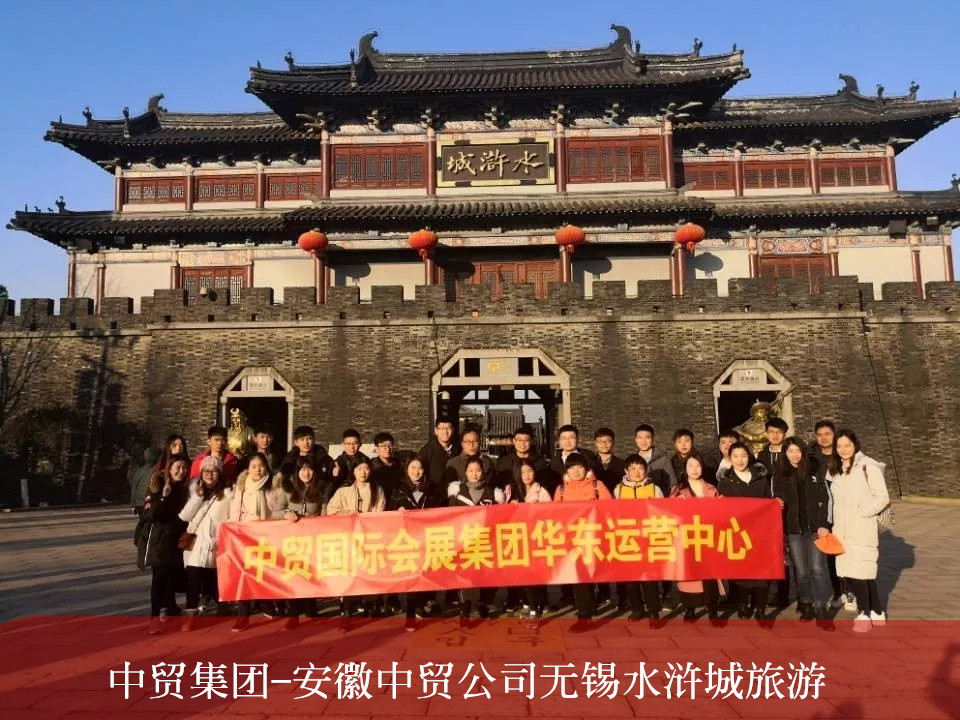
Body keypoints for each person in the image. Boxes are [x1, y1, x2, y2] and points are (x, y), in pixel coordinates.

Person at [828, 430, 890, 632]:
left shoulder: (867, 466)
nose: (843, 450)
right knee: (860, 572)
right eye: (839, 446)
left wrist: (864, 513)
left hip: (862, 527)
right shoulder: (835, 470)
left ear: (855, 445)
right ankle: (877, 611)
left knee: (860, 572)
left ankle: (864, 613)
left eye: (847, 445)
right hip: (842, 530)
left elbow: (882, 497)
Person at [552, 453, 613, 630]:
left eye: (579, 467)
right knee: (580, 577)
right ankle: (584, 615)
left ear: (586, 468)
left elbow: (609, 510)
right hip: (572, 540)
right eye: (571, 468)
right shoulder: (561, 489)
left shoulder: (597, 486)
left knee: (590, 575)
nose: (576, 471)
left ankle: (588, 608)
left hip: (595, 538)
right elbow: (554, 515)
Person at [778, 437, 832, 623]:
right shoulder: (780, 475)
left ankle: (821, 607)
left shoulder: (814, 471)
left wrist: (824, 523)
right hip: (794, 530)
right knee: (801, 571)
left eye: (798, 451)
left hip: (815, 528)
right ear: (785, 453)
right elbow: (774, 501)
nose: (795, 455)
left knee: (817, 568)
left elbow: (826, 498)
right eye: (790, 451)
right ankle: (806, 604)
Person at [718, 442, 774, 622]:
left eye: (743, 455)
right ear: (730, 459)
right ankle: (743, 605)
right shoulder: (726, 482)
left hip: (760, 532)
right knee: (741, 570)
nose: (740, 460)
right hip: (738, 532)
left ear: (749, 457)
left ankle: (760, 608)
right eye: (735, 456)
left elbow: (768, 502)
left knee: (762, 571)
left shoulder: (761, 479)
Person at [136, 454, 190, 635]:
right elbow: (150, 515)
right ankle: (154, 618)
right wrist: (163, 497)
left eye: (184, 468)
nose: (182, 472)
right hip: (160, 542)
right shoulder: (157, 486)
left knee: (174, 579)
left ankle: (170, 608)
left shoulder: (185, 489)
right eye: (178, 468)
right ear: (169, 469)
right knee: (159, 579)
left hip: (178, 541)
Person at [273, 455, 328, 628]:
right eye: (302, 469)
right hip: (292, 540)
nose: (306, 473)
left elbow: (325, 515)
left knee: (311, 573)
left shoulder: (321, 489)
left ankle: (311, 608)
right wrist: (286, 514)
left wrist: (316, 520)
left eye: (310, 469)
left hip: (312, 538)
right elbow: (275, 512)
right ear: (297, 471)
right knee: (294, 575)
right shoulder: (287, 488)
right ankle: (293, 613)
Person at [179, 455, 232, 630]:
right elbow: (184, 516)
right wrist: (197, 498)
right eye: (206, 471)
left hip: (215, 544)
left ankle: (223, 604)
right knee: (193, 579)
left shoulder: (228, 494)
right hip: (195, 544)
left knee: (211, 579)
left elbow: (231, 518)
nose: (209, 474)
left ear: (220, 473)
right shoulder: (194, 490)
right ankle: (190, 615)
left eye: (214, 471)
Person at [328, 457, 387, 617]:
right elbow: (331, 510)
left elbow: (380, 514)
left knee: (370, 572)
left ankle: (370, 604)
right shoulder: (343, 490)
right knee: (350, 573)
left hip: (370, 538)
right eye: (359, 469)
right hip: (349, 540)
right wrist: (347, 513)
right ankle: (347, 606)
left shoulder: (377, 490)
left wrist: (366, 519)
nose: (363, 472)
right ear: (353, 471)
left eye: (366, 468)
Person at [389, 455, 442, 629]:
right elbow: (388, 513)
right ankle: (410, 615)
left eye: (419, 468)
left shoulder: (432, 489)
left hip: (428, 539)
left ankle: (424, 605)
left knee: (428, 575)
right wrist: (397, 511)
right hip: (408, 541)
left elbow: (441, 512)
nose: (416, 471)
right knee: (412, 578)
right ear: (406, 470)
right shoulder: (398, 490)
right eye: (412, 468)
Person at [448, 456, 504, 620]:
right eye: (471, 470)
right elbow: (450, 516)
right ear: (465, 472)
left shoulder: (492, 493)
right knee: (464, 572)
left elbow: (500, 517)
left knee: (487, 572)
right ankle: (465, 605)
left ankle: (483, 603)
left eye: (478, 470)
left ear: (483, 472)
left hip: (486, 540)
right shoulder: (458, 492)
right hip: (463, 540)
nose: (474, 474)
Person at [670, 456, 722, 622]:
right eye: (690, 466)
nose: (694, 469)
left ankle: (712, 609)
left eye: (697, 465)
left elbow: (720, 513)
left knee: (710, 574)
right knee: (689, 574)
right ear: (685, 469)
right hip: (687, 537)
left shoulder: (711, 488)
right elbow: (670, 513)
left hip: (708, 537)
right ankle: (689, 608)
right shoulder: (678, 490)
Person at [227, 452, 274, 631]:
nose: (257, 470)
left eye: (261, 466)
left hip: (267, 534)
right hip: (246, 534)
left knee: (264, 572)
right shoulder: (242, 485)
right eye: (253, 466)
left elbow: (275, 509)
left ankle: (266, 604)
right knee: (245, 574)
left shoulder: (273, 484)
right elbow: (235, 510)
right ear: (248, 469)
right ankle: (243, 615)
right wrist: (233, 531)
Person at [615, 455, 663, 621]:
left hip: (648, 539)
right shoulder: (618, 490)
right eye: (633, 469)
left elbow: (662, 513)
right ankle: (637, 609)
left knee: (650, 580)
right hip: (627, 540)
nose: (637, 472)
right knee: (630, 580)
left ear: (646, 470)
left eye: (640, 468)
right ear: (626, 471)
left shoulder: (655, 489)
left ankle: (653, 610)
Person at [808, 420, 845, 609]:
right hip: (822, 513)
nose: (823, 438)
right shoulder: (811, 458)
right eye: (820, 434)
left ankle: (850, 591)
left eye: (827, 434)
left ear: (834, 435)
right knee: (830, 556)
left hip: (843, 511)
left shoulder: (842, 455)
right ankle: (838, 592)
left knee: (845, 553)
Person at [516, 459, 551, 622]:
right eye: (523, 472)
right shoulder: (511, 490)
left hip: (537, 537)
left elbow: (550, 513)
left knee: (534, 573)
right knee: (522, 573)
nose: (526, 475)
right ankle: (528, 603)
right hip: (517, 538)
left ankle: (534, 608)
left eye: (529, 471)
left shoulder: (541, 491)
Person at [495, 425, 548, 502]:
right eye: (519, 440)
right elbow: (498, 485)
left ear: (531, 441)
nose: (522, 443)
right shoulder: (504, 462)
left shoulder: (539, 461)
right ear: (514, 441)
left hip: (534, 502)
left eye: (526, 440)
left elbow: (543, 484)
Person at [546, 425, 598, 496]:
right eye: (564, 438)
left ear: (578, 439)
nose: (567, 441)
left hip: (587, 496)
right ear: (559, 441)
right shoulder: (554, 461)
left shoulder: (589, 456)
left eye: (571, 438)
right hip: (564, 497)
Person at [419, 417, 460, 503]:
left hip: (456, 496)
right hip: (434, 498)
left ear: (453, 430)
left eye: (448, 428)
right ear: (436, 431)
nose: (445, 431)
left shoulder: (459, 449)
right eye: (441, 428)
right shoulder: (426, 451)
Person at [634, 424, 677, 502]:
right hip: (637, 503)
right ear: (636, 439)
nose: (643, 441)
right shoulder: (632, 460)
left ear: (653, 439)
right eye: (640, 437)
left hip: (660, 502)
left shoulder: (663, 459)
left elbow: (673, 484)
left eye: (647, 437)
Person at [370, 432, 404, 500]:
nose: (388, 448)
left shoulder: (400, 464)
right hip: (378, 500)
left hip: (397, 500)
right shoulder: (371, 465)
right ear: (376, 448)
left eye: (390, 445)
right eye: (383, 446)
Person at [130, 447, 159, 517]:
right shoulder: (159, 470)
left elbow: (134, 488)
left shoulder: (139, 471)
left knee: (143, 520)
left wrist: (133, 505)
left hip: (140, 503)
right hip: (153, 502)